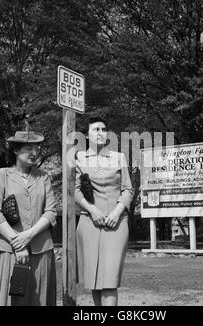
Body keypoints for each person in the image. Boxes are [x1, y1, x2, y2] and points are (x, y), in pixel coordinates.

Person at [0, 130, 57, 306]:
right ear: (16, 151)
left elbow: (50, 212)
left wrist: (29, 235)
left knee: (40, 299)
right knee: (12, 299)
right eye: (28, 148)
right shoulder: (1, 175)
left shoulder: (43, 176)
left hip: (41, 249)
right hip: (11, 250)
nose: (34, 153)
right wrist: (17, 243)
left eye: (36, 149)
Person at [74, 117, 134, 306]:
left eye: (104, 129)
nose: (100, 133)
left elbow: (128, 189)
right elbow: (75, 191)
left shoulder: (118, 157)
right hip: (89, 222)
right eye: (95, 129)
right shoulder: (80, 159)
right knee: (94, 282)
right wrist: (92, 211)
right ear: (86, 135)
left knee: (109, 281)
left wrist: (116, 213)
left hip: (116, 223)